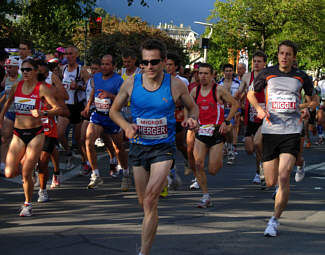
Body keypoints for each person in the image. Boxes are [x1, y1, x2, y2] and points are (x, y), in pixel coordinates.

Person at [109, 39, 198, 255]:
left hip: (163, 148)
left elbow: (192, 108)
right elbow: (114, 111)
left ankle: (144, 252)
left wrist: (192, 120)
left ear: (164, 61)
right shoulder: (131, 82)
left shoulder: (175, 84)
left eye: (154, 62)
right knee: (145, 203)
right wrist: (126, 126)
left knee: (150, 199)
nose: (149, 66)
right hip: (139, 147)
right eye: (145, 62)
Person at [247, 40, 314, 237]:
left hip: (292, 130)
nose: (284, 57)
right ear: (277, 55)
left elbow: (313, 100)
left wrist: (306, 109)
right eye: (281, 53)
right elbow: (251, 94)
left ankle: (274, 220)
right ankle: (278, 190)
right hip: (271, 130)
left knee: (284, 177)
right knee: (270, 182)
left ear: (294, 57)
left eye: (288, 54)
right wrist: (259, 109)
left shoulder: (302, 77)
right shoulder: (267, 73)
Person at [0, 59, 63, 216]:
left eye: (28, 69)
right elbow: (7, 104)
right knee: (8, 172)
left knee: (26, 173)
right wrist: (0, 119)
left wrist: (43, 113)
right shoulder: (17, 86)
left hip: (36, 133)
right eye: (23, 70)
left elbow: (58, 108)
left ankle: (27, 204)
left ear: (35, 71)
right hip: (18, 133)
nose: (25, 72)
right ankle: (26, 164)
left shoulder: (41, 88)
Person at [191, 63, 239, 208]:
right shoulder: (195, 91)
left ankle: (220, 154)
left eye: (206, 73)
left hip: (217, 131)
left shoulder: (218, 90)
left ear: (212, 75)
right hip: (201, 131)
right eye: (200, 73)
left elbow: (235, 104)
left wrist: (226, 121)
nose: (203, 76)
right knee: (198, 164)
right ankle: (205, 196)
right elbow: (190, 108)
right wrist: (192, 120)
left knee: (213, 170)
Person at [83, 54, 129, 190]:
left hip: (113, 117)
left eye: (107, 64)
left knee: (118, 147)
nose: (104, 67)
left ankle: (126, 173)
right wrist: (88, 106)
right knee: (88, 141)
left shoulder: (118, 80)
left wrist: (109, 95)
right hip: (98, 115)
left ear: (114, 66)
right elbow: (94, 92)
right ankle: (95, 175)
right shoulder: (96, 77)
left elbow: (125, 101)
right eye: (102, 64)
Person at [36, 61, 70, 202]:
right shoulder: (23, 88)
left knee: (44, 159)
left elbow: (65, 110)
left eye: (42, 73)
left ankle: (45, 187)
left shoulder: (52, 89)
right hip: (29, 129)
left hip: (48, 128)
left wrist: (48, 112)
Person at [237, 50, 267, 184]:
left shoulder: (268, 77)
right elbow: (240, 92)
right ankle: (260, 164)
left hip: (265, 116)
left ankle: (260, 171)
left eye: (259, 61)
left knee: (257, 142)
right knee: (250, 149)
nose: (256, 64)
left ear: (265, 64)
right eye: (254, 61)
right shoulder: (247, 77)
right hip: (250, 116)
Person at [57, 45, 90, 169]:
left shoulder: (82, 70)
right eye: (66, 54)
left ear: (76, 55)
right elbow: (58, 84)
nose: (68, 56)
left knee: (79, 140)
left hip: (78, 107)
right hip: (66, 106)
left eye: (71, 54)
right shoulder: (62, 69)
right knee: (59, 134)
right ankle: (68, 152)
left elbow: (90, 88)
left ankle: (84, 161)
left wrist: (79, 87)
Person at [0, 56, 22, 175]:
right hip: (9, 112)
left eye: (10, 67)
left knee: (19, 140)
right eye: (6, 67)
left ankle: (18, 164)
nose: (7, 69)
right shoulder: (7, 78)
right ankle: (2, 164)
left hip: (21, 114)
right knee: (5, 138)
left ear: (16, 67)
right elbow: (5, 93)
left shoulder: (22, 78)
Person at [79, 59, 101, 176]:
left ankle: (114, 159)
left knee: (111, 143)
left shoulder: (103, 82)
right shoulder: (89, 80)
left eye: (96, 69)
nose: (93, 71)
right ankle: (88, 162)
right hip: (89, 112)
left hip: (100, 113)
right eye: (92, 69)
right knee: (83, 139)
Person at [218, 64, 241, 164]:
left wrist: (239, 109)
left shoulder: (238, 83)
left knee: (230, 128)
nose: (228, 73)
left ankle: (231, 148)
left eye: (230, 70)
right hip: (222, 109)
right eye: (226, 71)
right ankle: (226, 145)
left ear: (233, 71)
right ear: (224, 72)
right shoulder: (219, 84)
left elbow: (242, 95)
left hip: (233, 109)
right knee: (224, 130)